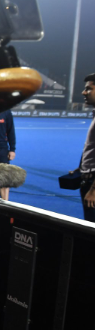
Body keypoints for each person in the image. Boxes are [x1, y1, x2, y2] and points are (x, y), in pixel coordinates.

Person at [74, 74, 95, 221]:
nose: (84, 92)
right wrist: (81, 167)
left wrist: (93, 190)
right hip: (88, 177)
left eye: (89, 89)